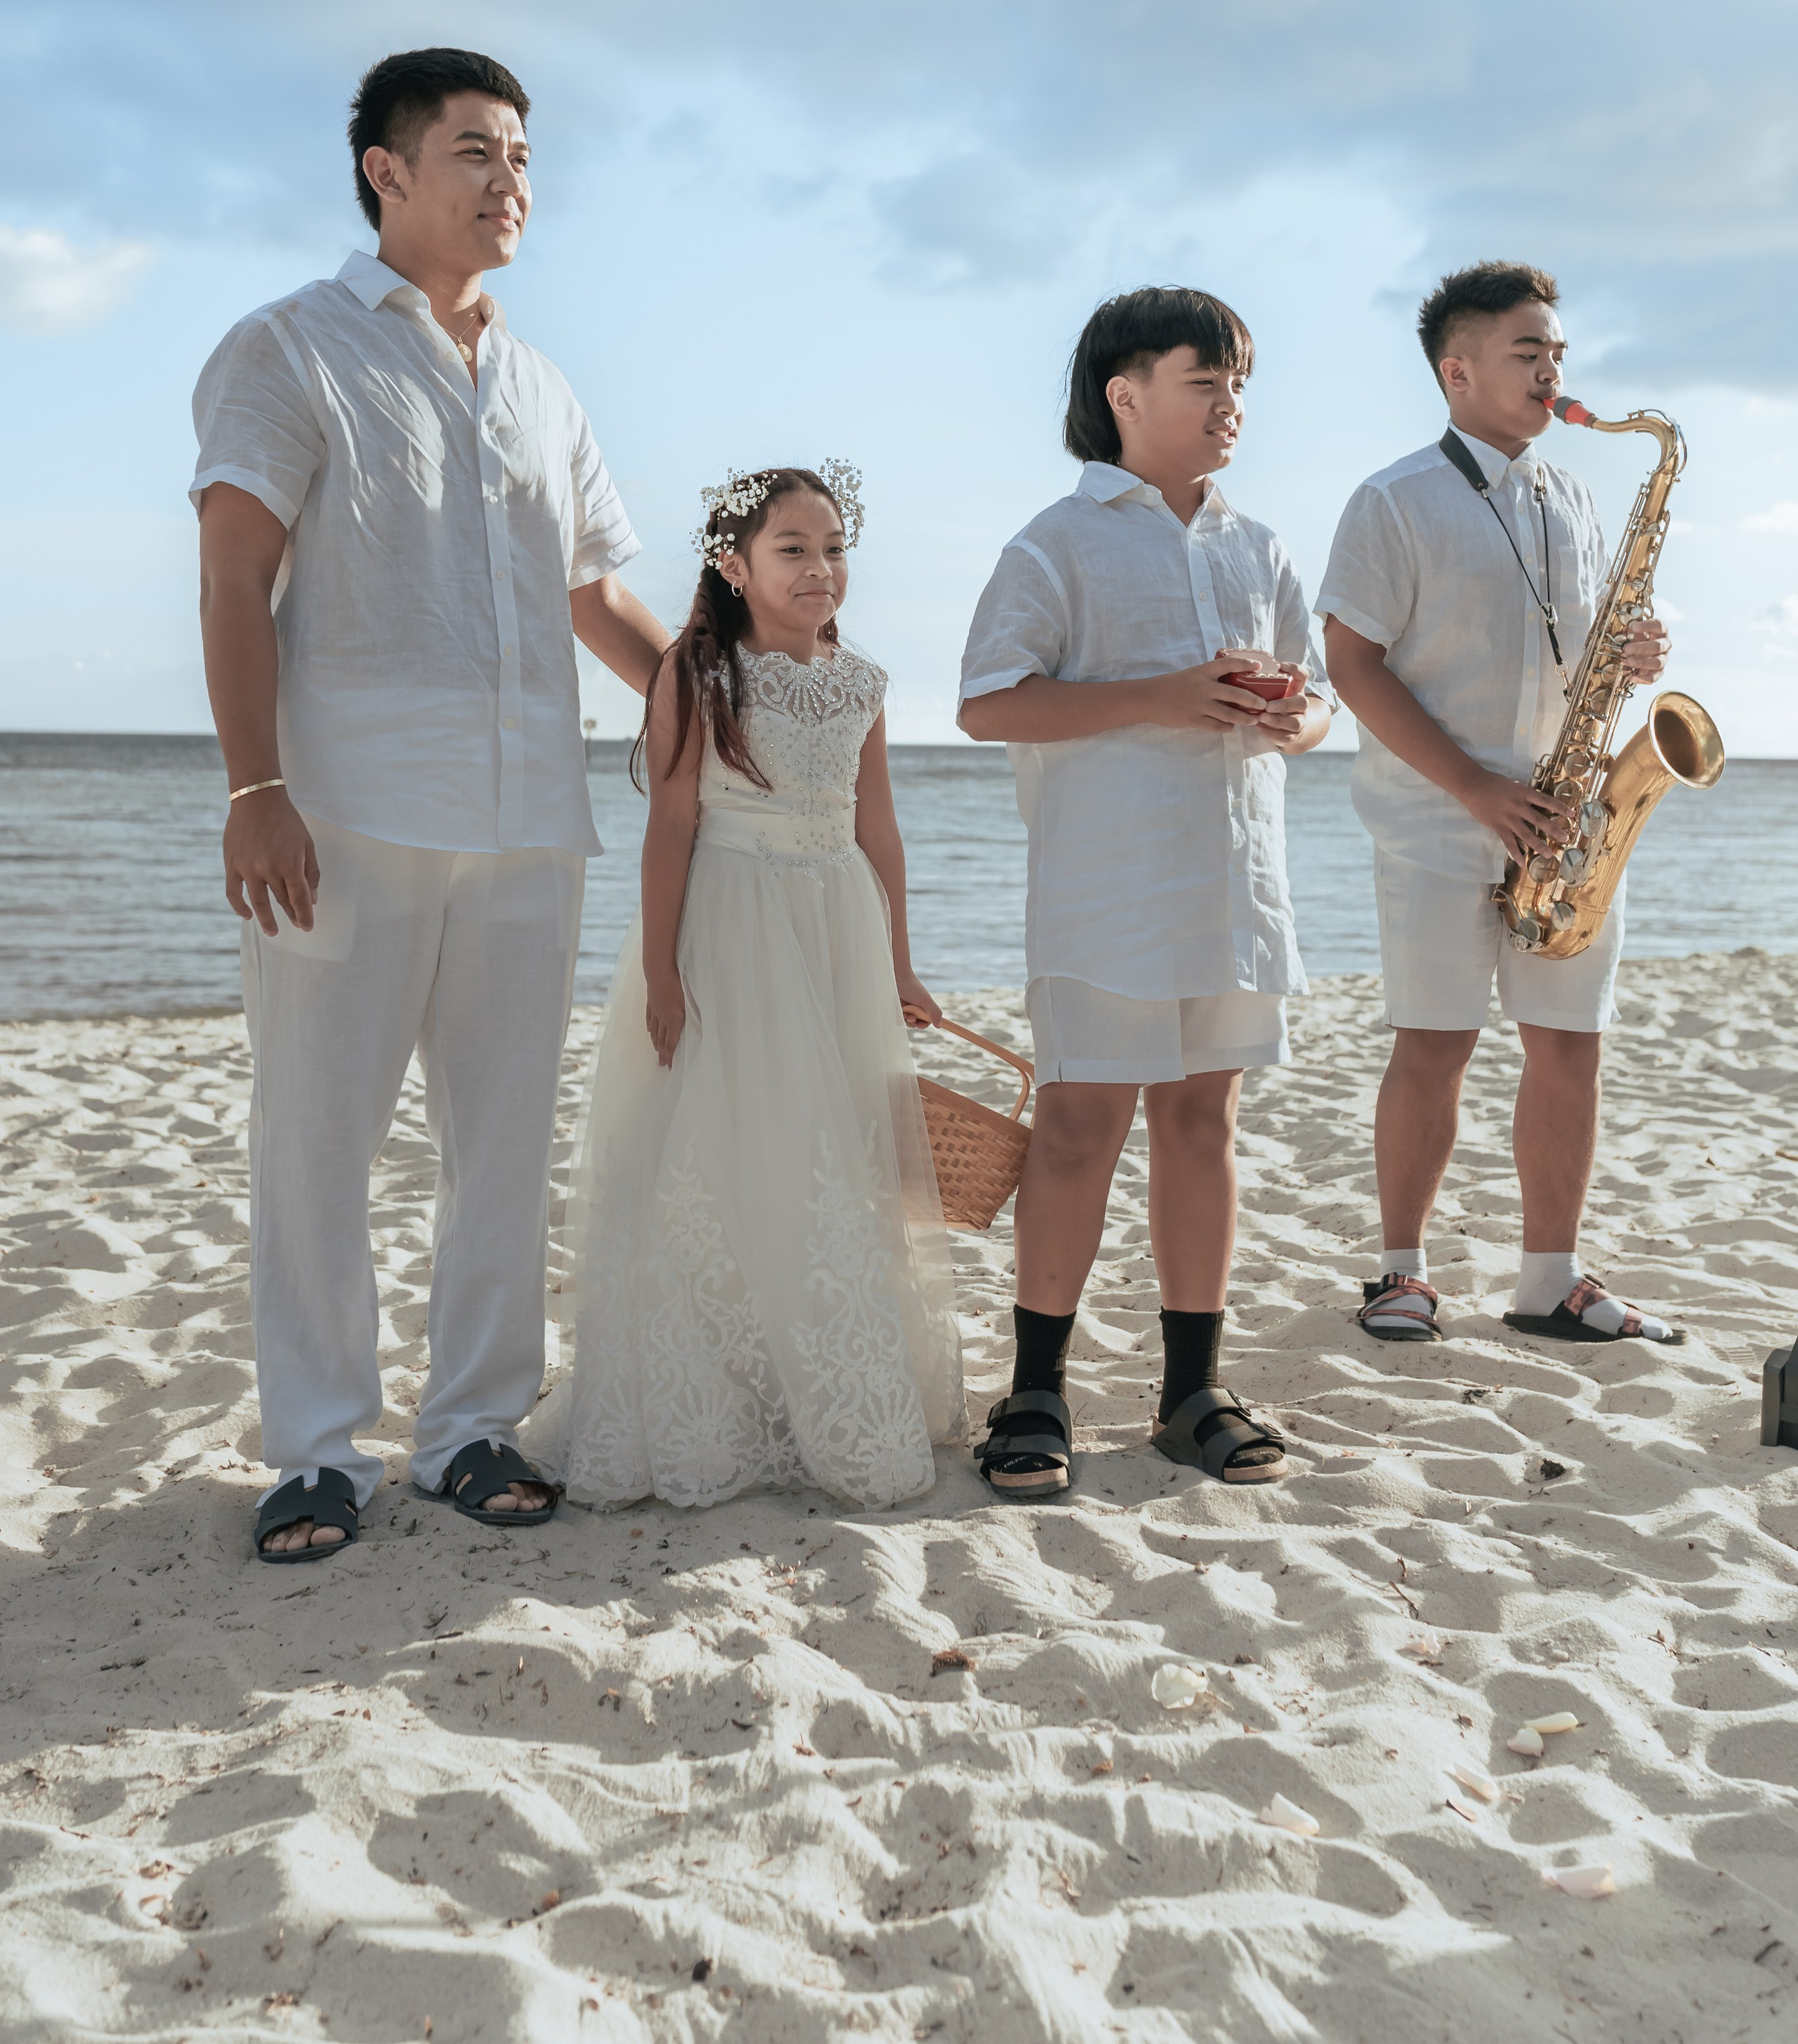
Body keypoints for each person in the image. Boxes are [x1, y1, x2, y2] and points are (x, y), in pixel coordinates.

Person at [192, 48, 669, 1562]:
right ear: (386, 172)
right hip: (344, 819)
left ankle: (470, 1428)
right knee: (317, 1141)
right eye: (474, 150)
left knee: (502, 1145)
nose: (509, 178)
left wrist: (709, 703)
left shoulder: (541, 384)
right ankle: (318, 1451)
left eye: (522, 153)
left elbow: (593, 589)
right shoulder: (289, 348)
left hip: (532, 815)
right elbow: (231, 574)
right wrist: (254, 788)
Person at [526, 463, 965, 1511]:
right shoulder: (699, 674)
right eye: (793, 550)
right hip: (729, 924)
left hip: (834, 925)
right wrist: (665, 971)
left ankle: (813, 1380)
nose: (821, 570)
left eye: (833, 549)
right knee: (725, 1141)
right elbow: (671, 823)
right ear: (735, 565)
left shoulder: (862, 683)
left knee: (832, 1146)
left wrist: (900, 959)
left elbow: (879, 830)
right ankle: (712, 1390)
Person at [957, 287, 1333, 1498]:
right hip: (1105, 889)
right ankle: (1036, 1390)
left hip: (1234, 884)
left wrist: (1292, 712)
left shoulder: (1257, 542)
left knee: (1203, 1125)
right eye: (1205, 380)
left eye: (1240, 384)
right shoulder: (1056, 543)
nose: (1232, 405)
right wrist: (1160, 694)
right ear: (1127, 395)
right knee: (1078, 1132)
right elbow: (986, 702)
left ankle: (1190, 1394)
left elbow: (1319, 708)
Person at [1317, 260, 1679, 1347]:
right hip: (1438, 818)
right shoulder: (1392, 499)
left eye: (1559, 352)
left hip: (1565, 821)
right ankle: (1401, 1272)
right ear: (1457, 368)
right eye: (1530, 352)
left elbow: (1584, 662)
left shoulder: (1572, 496)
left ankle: (1549, 1279)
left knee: (1572, 1045)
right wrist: (1474, 785)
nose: (1554, 373)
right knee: (1436, 1045)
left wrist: (1633, 658)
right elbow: (1352, 662)